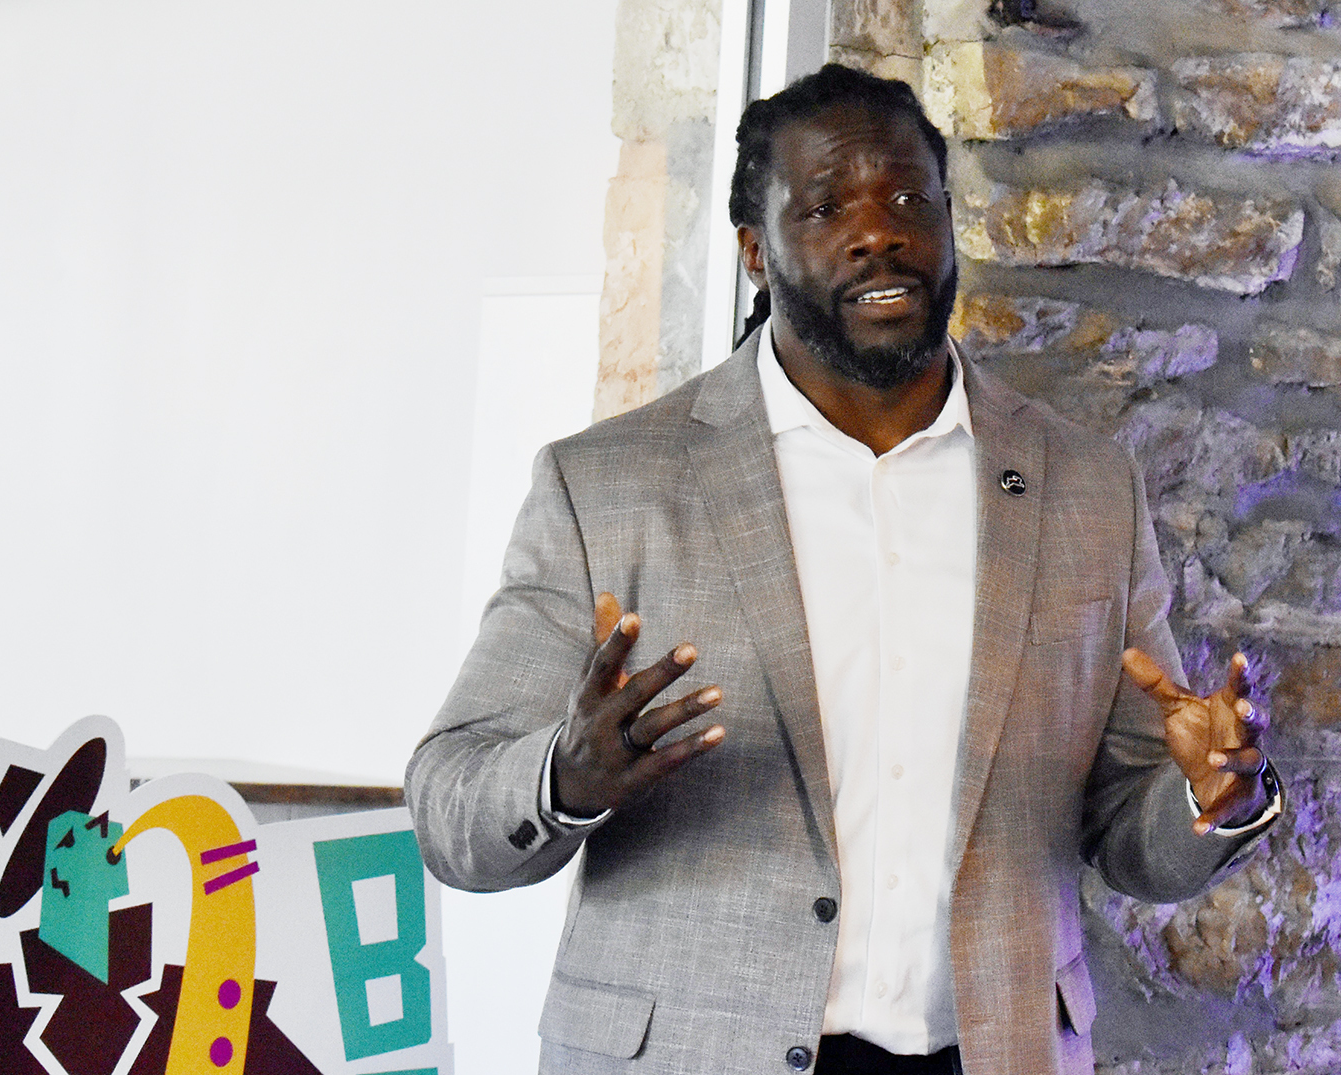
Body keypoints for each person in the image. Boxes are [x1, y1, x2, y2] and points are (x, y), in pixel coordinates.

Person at [406, 64, 1281, 1075]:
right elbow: (450, 804)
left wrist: (1208, 793)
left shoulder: (1085, 489)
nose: (879, 232)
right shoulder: (605, 487)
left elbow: (1131, 832)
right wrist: (567, 773)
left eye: (910, 199)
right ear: (754, 251)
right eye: (825, 207)